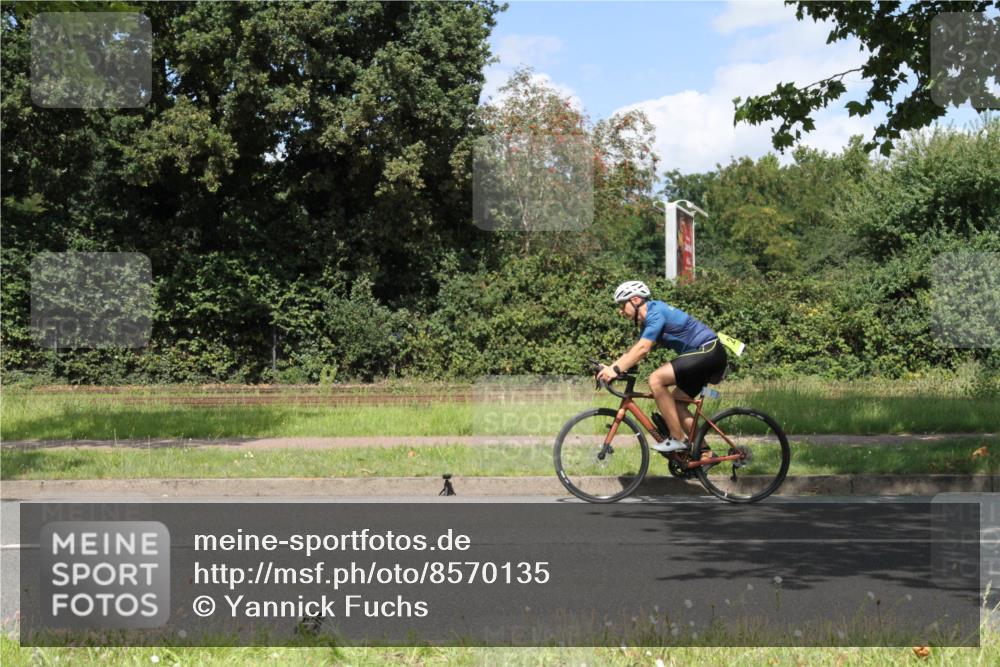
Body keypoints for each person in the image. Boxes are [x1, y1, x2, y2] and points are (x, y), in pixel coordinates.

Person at [597, 280, 727, 453]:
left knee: (656, 379)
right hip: (704, 357)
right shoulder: (649, 320)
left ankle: (677, 438)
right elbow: (634, 351)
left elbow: (643, 349)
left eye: (622, 305)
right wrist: (611, 367)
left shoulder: (655, 312)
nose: (621, 311)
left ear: (635, 300)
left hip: (709, 351)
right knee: (678, 406)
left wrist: (615, 370)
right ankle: (704, 453)